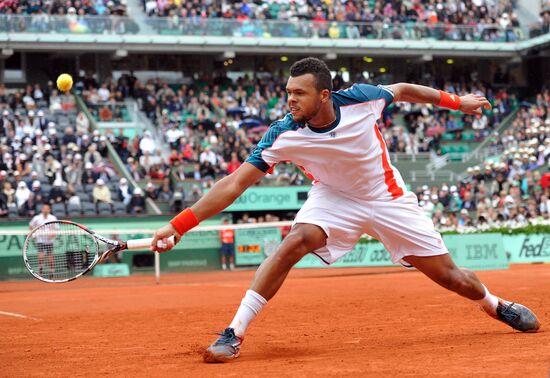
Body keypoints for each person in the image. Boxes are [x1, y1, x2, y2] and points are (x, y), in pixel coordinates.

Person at [150, 58, 540, 363]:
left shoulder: (362, 99)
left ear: (324, 95)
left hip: (386, 196)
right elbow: (233, 184)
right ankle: (233, 333)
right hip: (334, 198)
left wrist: (458, 102)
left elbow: (402, 88)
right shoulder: (284, 132)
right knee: (294, 241)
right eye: (288, 92)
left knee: (452, 278)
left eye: (299, 93)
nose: (290, 100)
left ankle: (494, 304)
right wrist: (179, 224)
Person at [29, 204, 58, 277]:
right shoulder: (37, 218)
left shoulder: (53, 218)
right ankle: (41, 269)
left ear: (49, 210)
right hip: (40, 240)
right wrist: (33, 234)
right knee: (40, 256)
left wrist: (52, 235)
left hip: (49, 241)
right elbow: (31, 226)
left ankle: (52, 271)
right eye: (44, 208)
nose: (45, 210)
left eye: (47, 209)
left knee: (50, 257)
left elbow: (56, 228)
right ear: (42, 209)